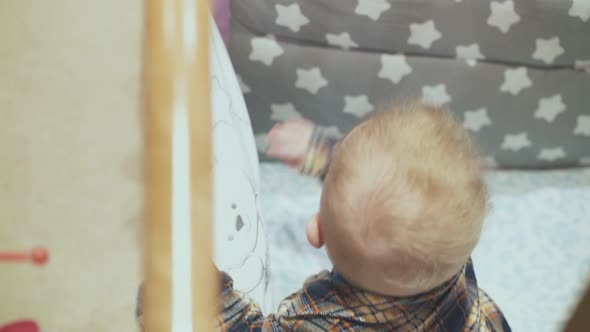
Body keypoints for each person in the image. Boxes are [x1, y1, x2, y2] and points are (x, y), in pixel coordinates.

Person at [214, 101, 510, 331]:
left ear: (316, 232)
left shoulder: (326, 319)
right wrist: (322, 154)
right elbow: (388, 185)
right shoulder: (446, 248)